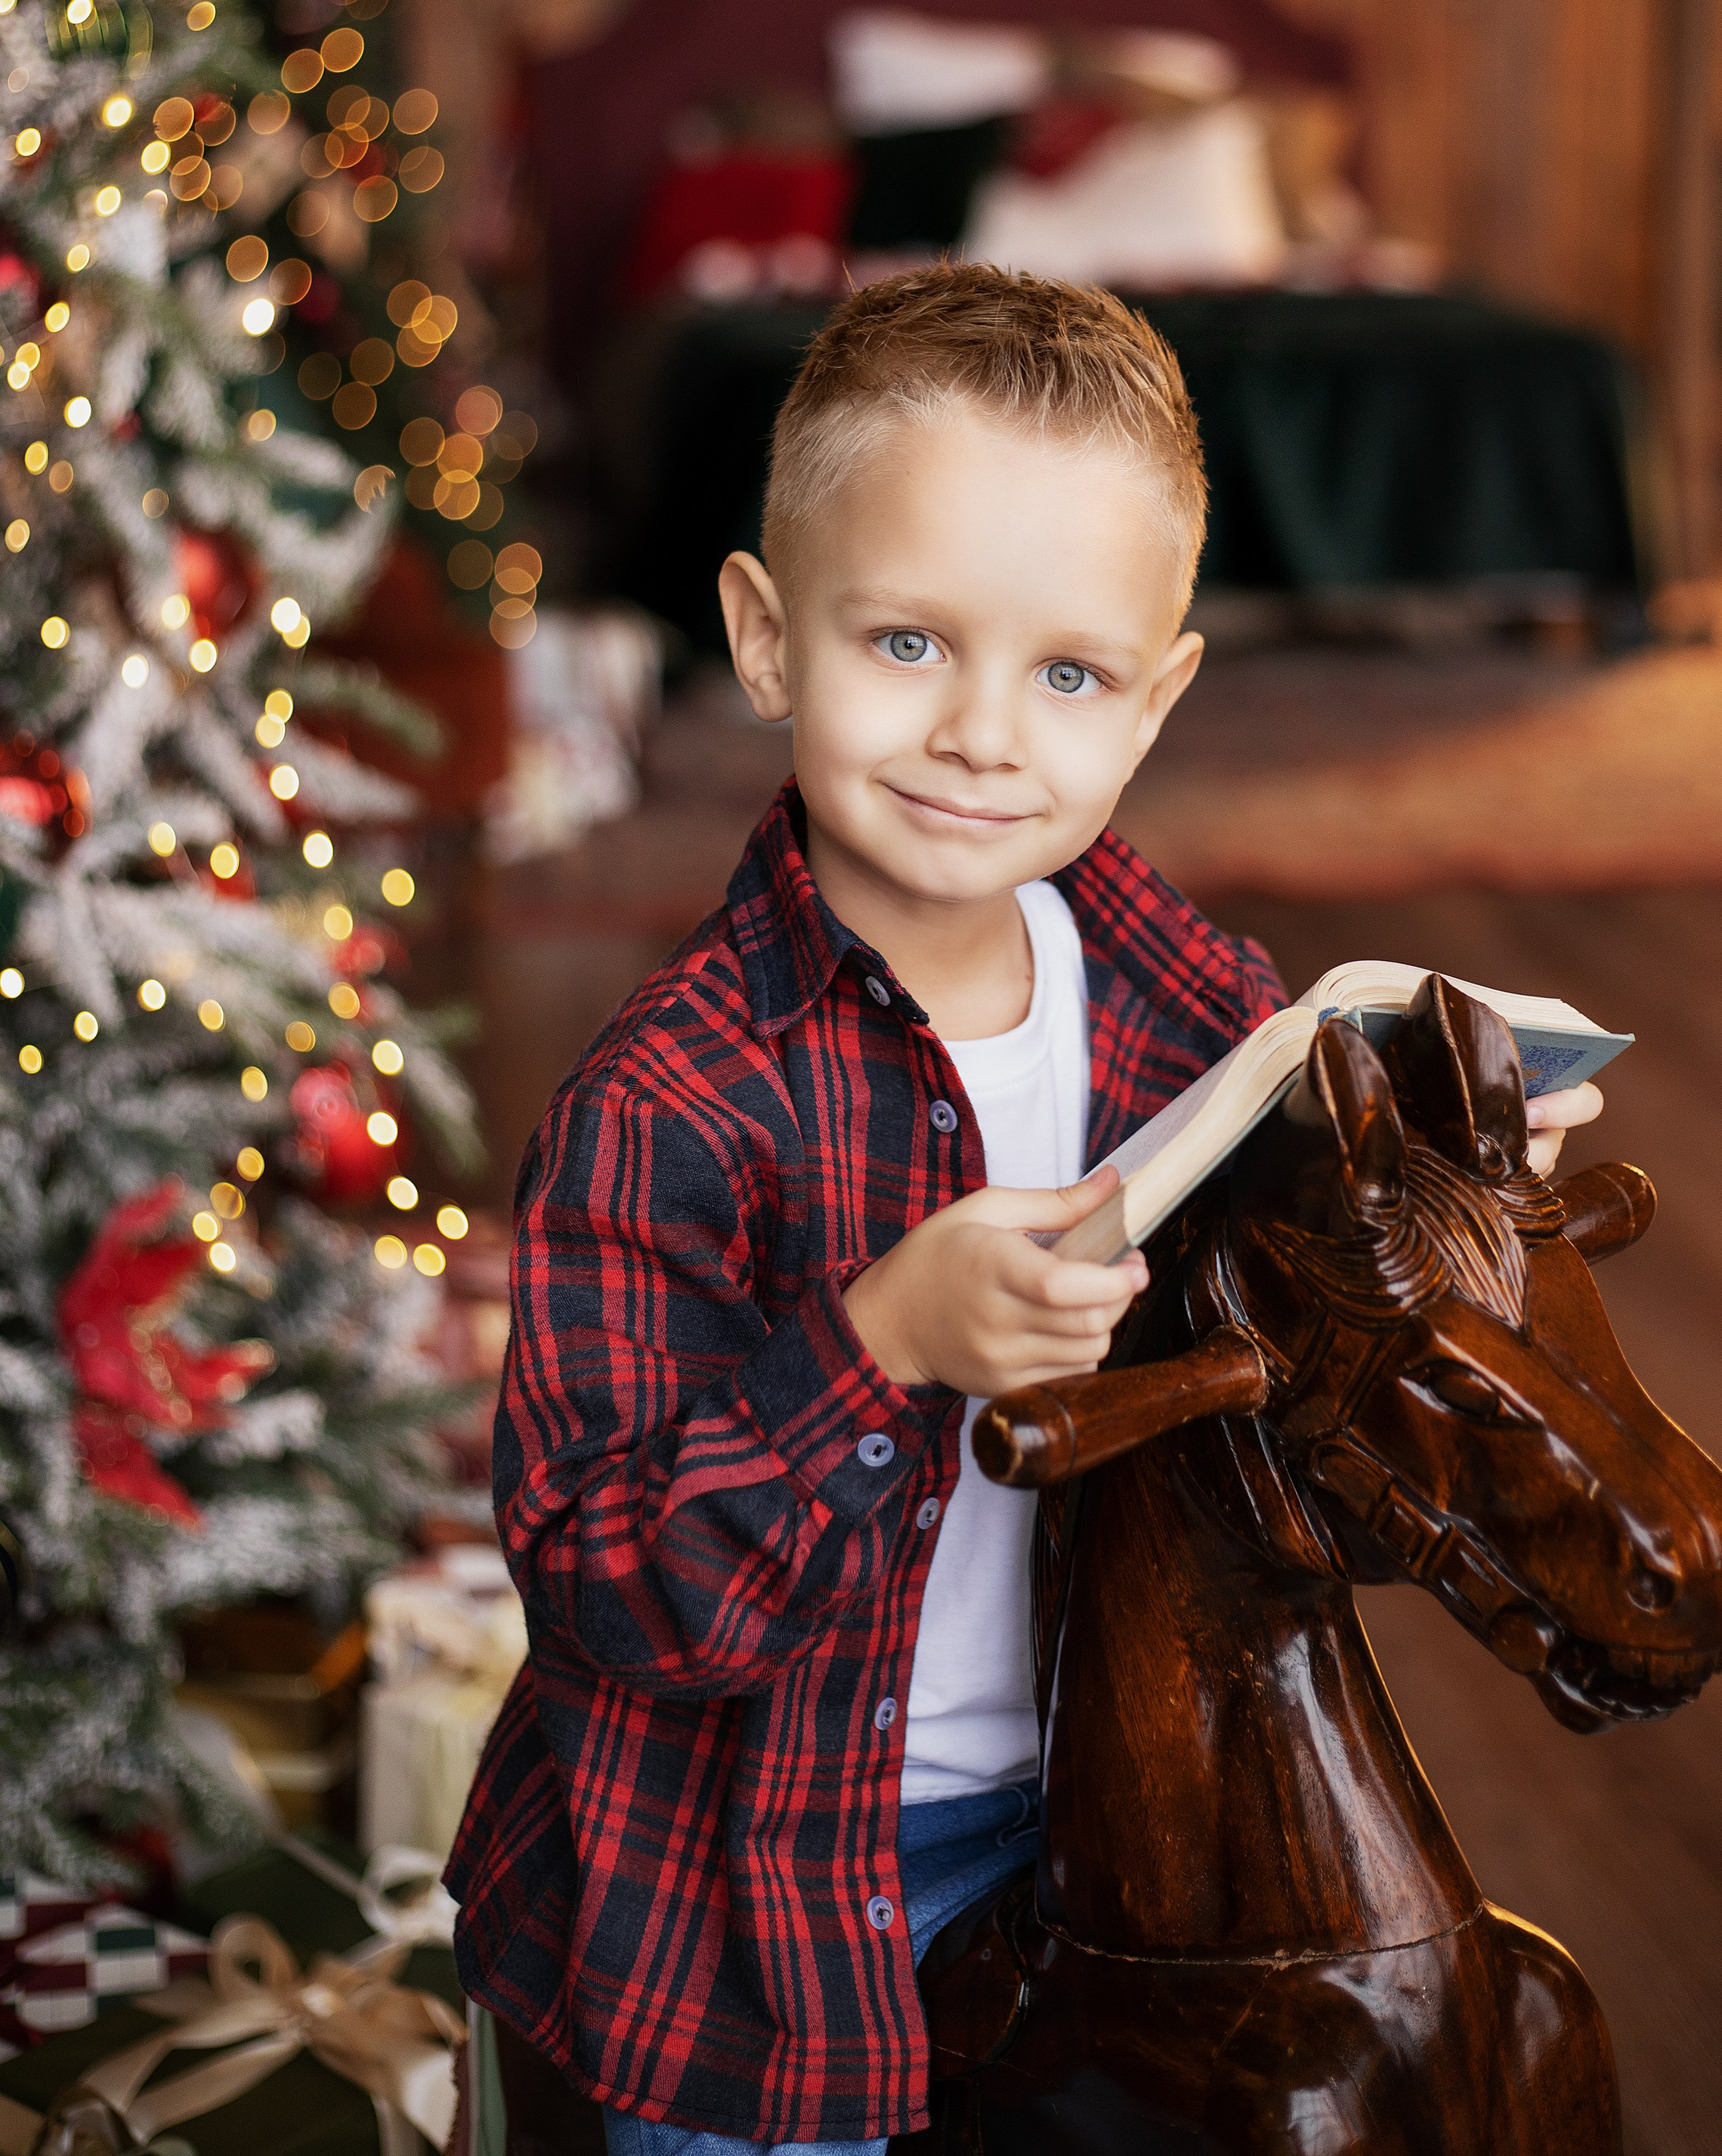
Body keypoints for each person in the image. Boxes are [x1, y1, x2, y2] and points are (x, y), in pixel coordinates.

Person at [446, 264, 1600, 2153]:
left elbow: (1313, 1284)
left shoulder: (1186, 1005)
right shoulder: (664, 1106)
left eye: (1066, 675)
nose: (984, 733)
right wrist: (879, 1343)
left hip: (1092, 1833)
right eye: (907, 642)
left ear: (1152, 705)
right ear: (763, 638)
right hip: (735, 1903)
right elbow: (603, 1587)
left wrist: (1461, 1173)